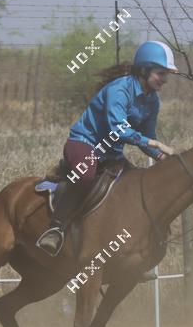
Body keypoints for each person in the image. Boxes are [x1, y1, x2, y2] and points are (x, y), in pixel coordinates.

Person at [36, 40, 178, 257]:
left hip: (112, 155)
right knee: (85, 176)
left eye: (166, 74)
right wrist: (156, 144)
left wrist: (161, 156)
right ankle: (56, 228)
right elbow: (118, 130)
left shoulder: (153, 101)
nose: (165, 79)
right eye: (161, 73)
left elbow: (147, 137)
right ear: (145, 69)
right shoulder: (119, 89)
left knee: (136, 187)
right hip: (84, 143)